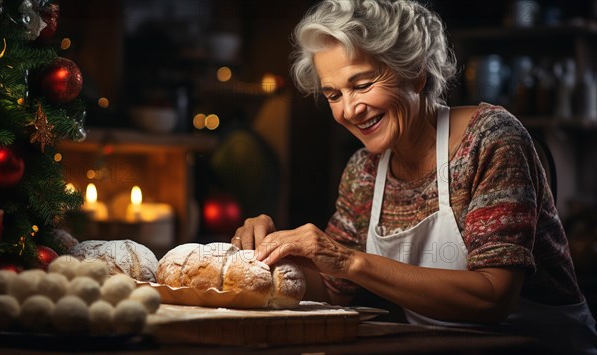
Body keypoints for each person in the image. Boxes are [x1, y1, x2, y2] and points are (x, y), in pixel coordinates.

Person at [231, 0, 597, 352]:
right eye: (333, 94)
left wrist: (348, 260)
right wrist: (268, 258)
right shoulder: (364, 171)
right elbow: (331, 286)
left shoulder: (490, 139)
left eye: (362, 85)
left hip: (541, 347)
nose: (348, 110)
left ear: (416, 73)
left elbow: (493, 297)